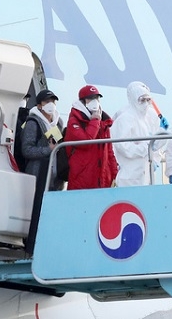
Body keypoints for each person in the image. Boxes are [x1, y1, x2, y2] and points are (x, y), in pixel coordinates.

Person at [20, 89, 64, 254]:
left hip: (54, 177)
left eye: (53, 101)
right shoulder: (33, 123)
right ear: (39, 105)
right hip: (38, 174)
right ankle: (31, 249)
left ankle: (46, 249)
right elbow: (26, 150)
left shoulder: (58, 123)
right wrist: (47, 150)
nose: (51, 105)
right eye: (47, 102)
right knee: (36, 211)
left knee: (51, 213)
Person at [111, 81, 168, 187]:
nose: (146, 103)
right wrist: (145, 148)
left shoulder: (148, 118)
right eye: (142, 100)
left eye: (148, 99)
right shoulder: (125, 118)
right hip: (130, 176)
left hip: (146, 174)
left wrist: (163, 131)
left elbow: (155, 145)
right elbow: (123, 147)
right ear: (133, 99)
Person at [64, 85, 118, 190]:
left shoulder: (104, 123)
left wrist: (114, 175)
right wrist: (95, 121)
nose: (95, 101)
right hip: (82, 179)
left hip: (102, 179)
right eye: (91, 98)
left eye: (97, 98)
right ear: (82, 101)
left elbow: (109, 151)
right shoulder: (74, 121)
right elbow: (86, 141)